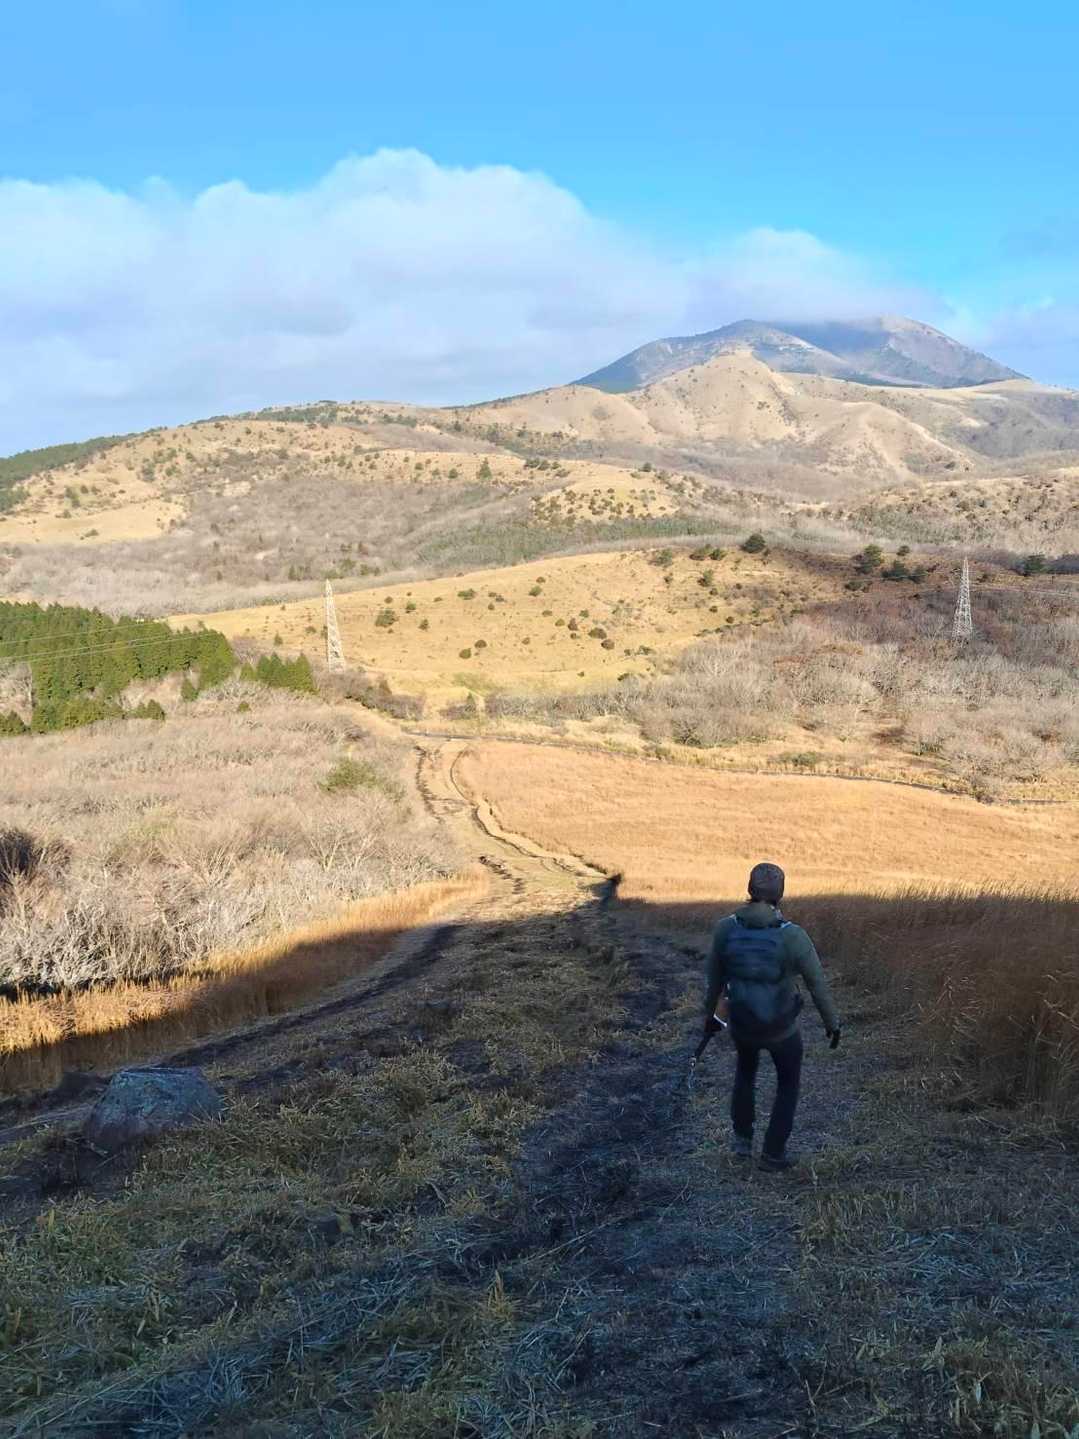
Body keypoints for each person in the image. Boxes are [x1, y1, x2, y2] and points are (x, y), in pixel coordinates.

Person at [704, 861, 840, 1171]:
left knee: (745, 1073)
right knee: (788, 1083)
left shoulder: (726, 928)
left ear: (749, 889)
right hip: (781, 1027)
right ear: (781, 894)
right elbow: (817, 984)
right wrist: (832, 1024)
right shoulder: (793, 936)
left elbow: (714, 979)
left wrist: (711, 1017)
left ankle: (742, 1142)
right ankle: (773, 1153)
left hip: (742, 1023)